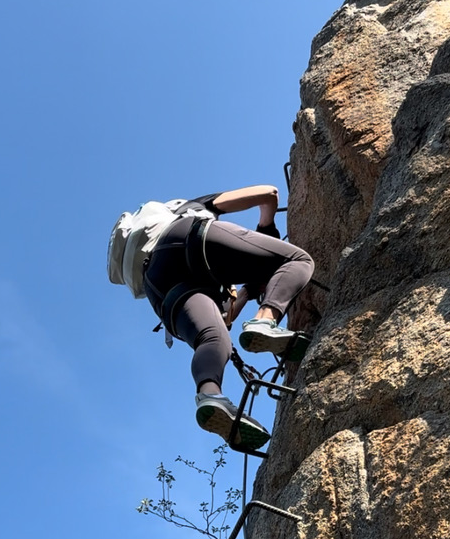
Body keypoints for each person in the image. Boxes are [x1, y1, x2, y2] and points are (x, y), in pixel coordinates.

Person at [107, 185, 314, 450]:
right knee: (297, 260)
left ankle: (210, 396)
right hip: (188, 238)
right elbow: (269, 194)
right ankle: (266, 319)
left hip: (159, 287)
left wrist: (250, 290)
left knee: (214, 338)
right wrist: (266, 227)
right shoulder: (188, 207)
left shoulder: (146, 257)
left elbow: (225, 318)